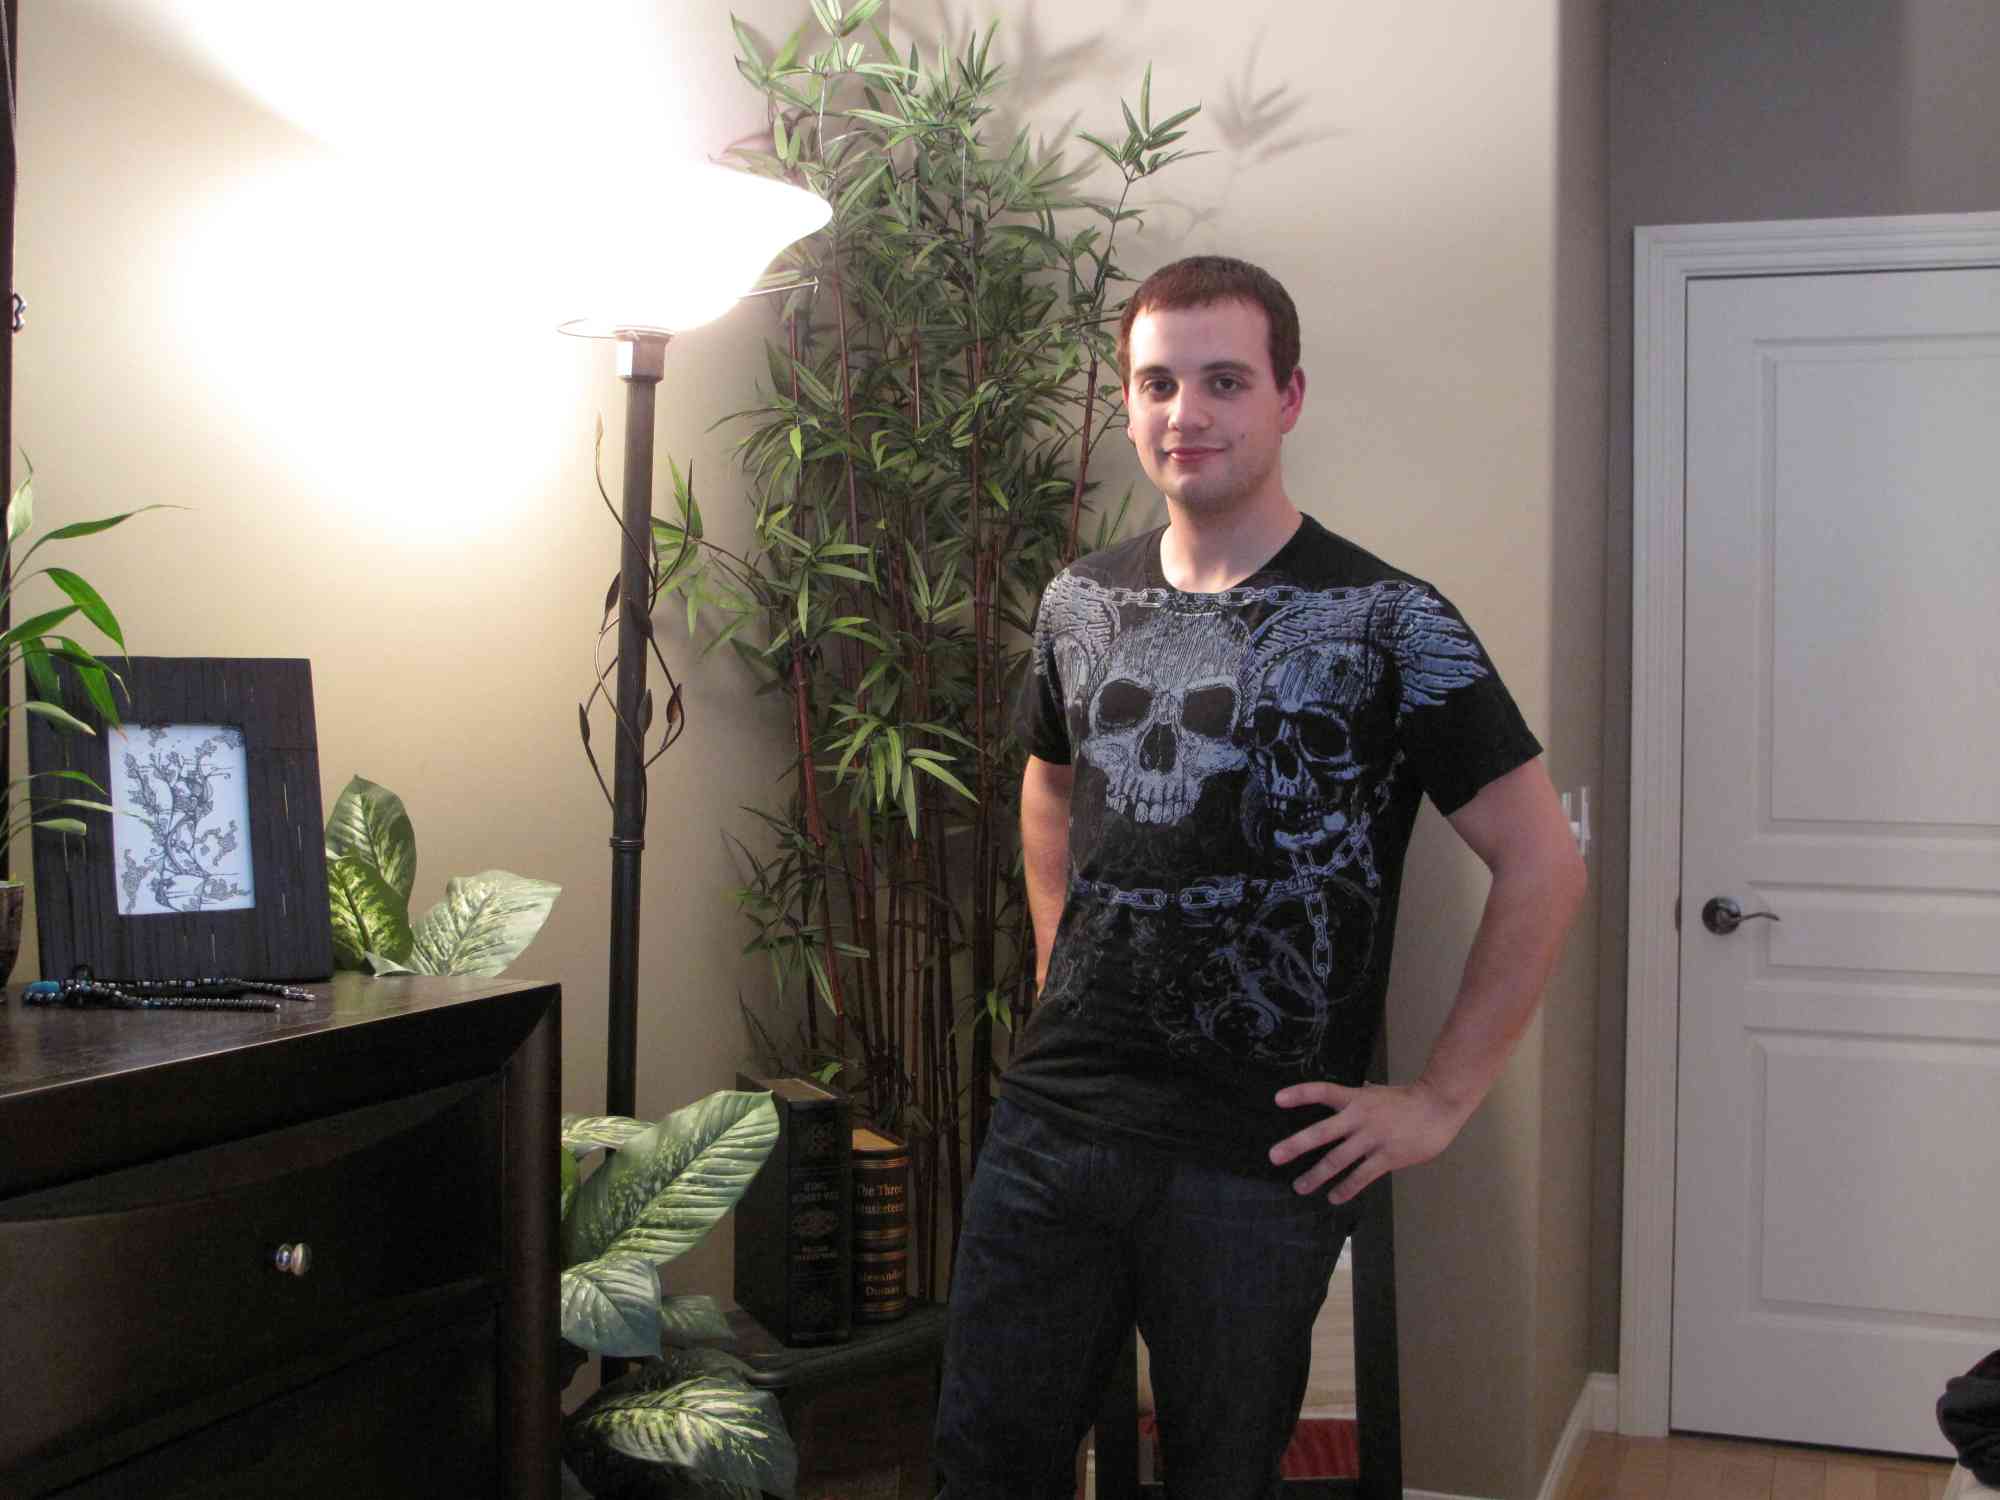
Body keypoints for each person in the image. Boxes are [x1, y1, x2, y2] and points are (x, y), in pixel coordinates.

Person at [931, 255, 1587, 1500]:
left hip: (1257, 1153)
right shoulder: (1078, 601)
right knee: (986, 1462)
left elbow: (1540, 865)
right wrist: (1061, 959)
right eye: (1156, 383)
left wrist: (1438, 1100)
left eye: (1223, 381)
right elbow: (1049, 785)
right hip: (1058, 1118)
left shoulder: (1391, 621)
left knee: (1221, 1475)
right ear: (1129, 403)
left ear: (1287, 397)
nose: (1185, 413)